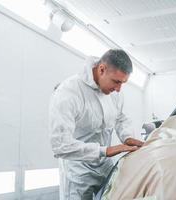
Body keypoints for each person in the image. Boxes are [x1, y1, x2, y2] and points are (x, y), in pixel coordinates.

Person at [49, 49, 144, 200]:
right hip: (77, 171)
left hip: (104, 165)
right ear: (102, 69)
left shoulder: (115, 93)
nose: (119, 89)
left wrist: (128, 137)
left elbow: (120, 118)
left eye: (123, 83)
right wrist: (105, 150)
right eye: (116, 82)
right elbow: (60, 145)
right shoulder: (69, 92)